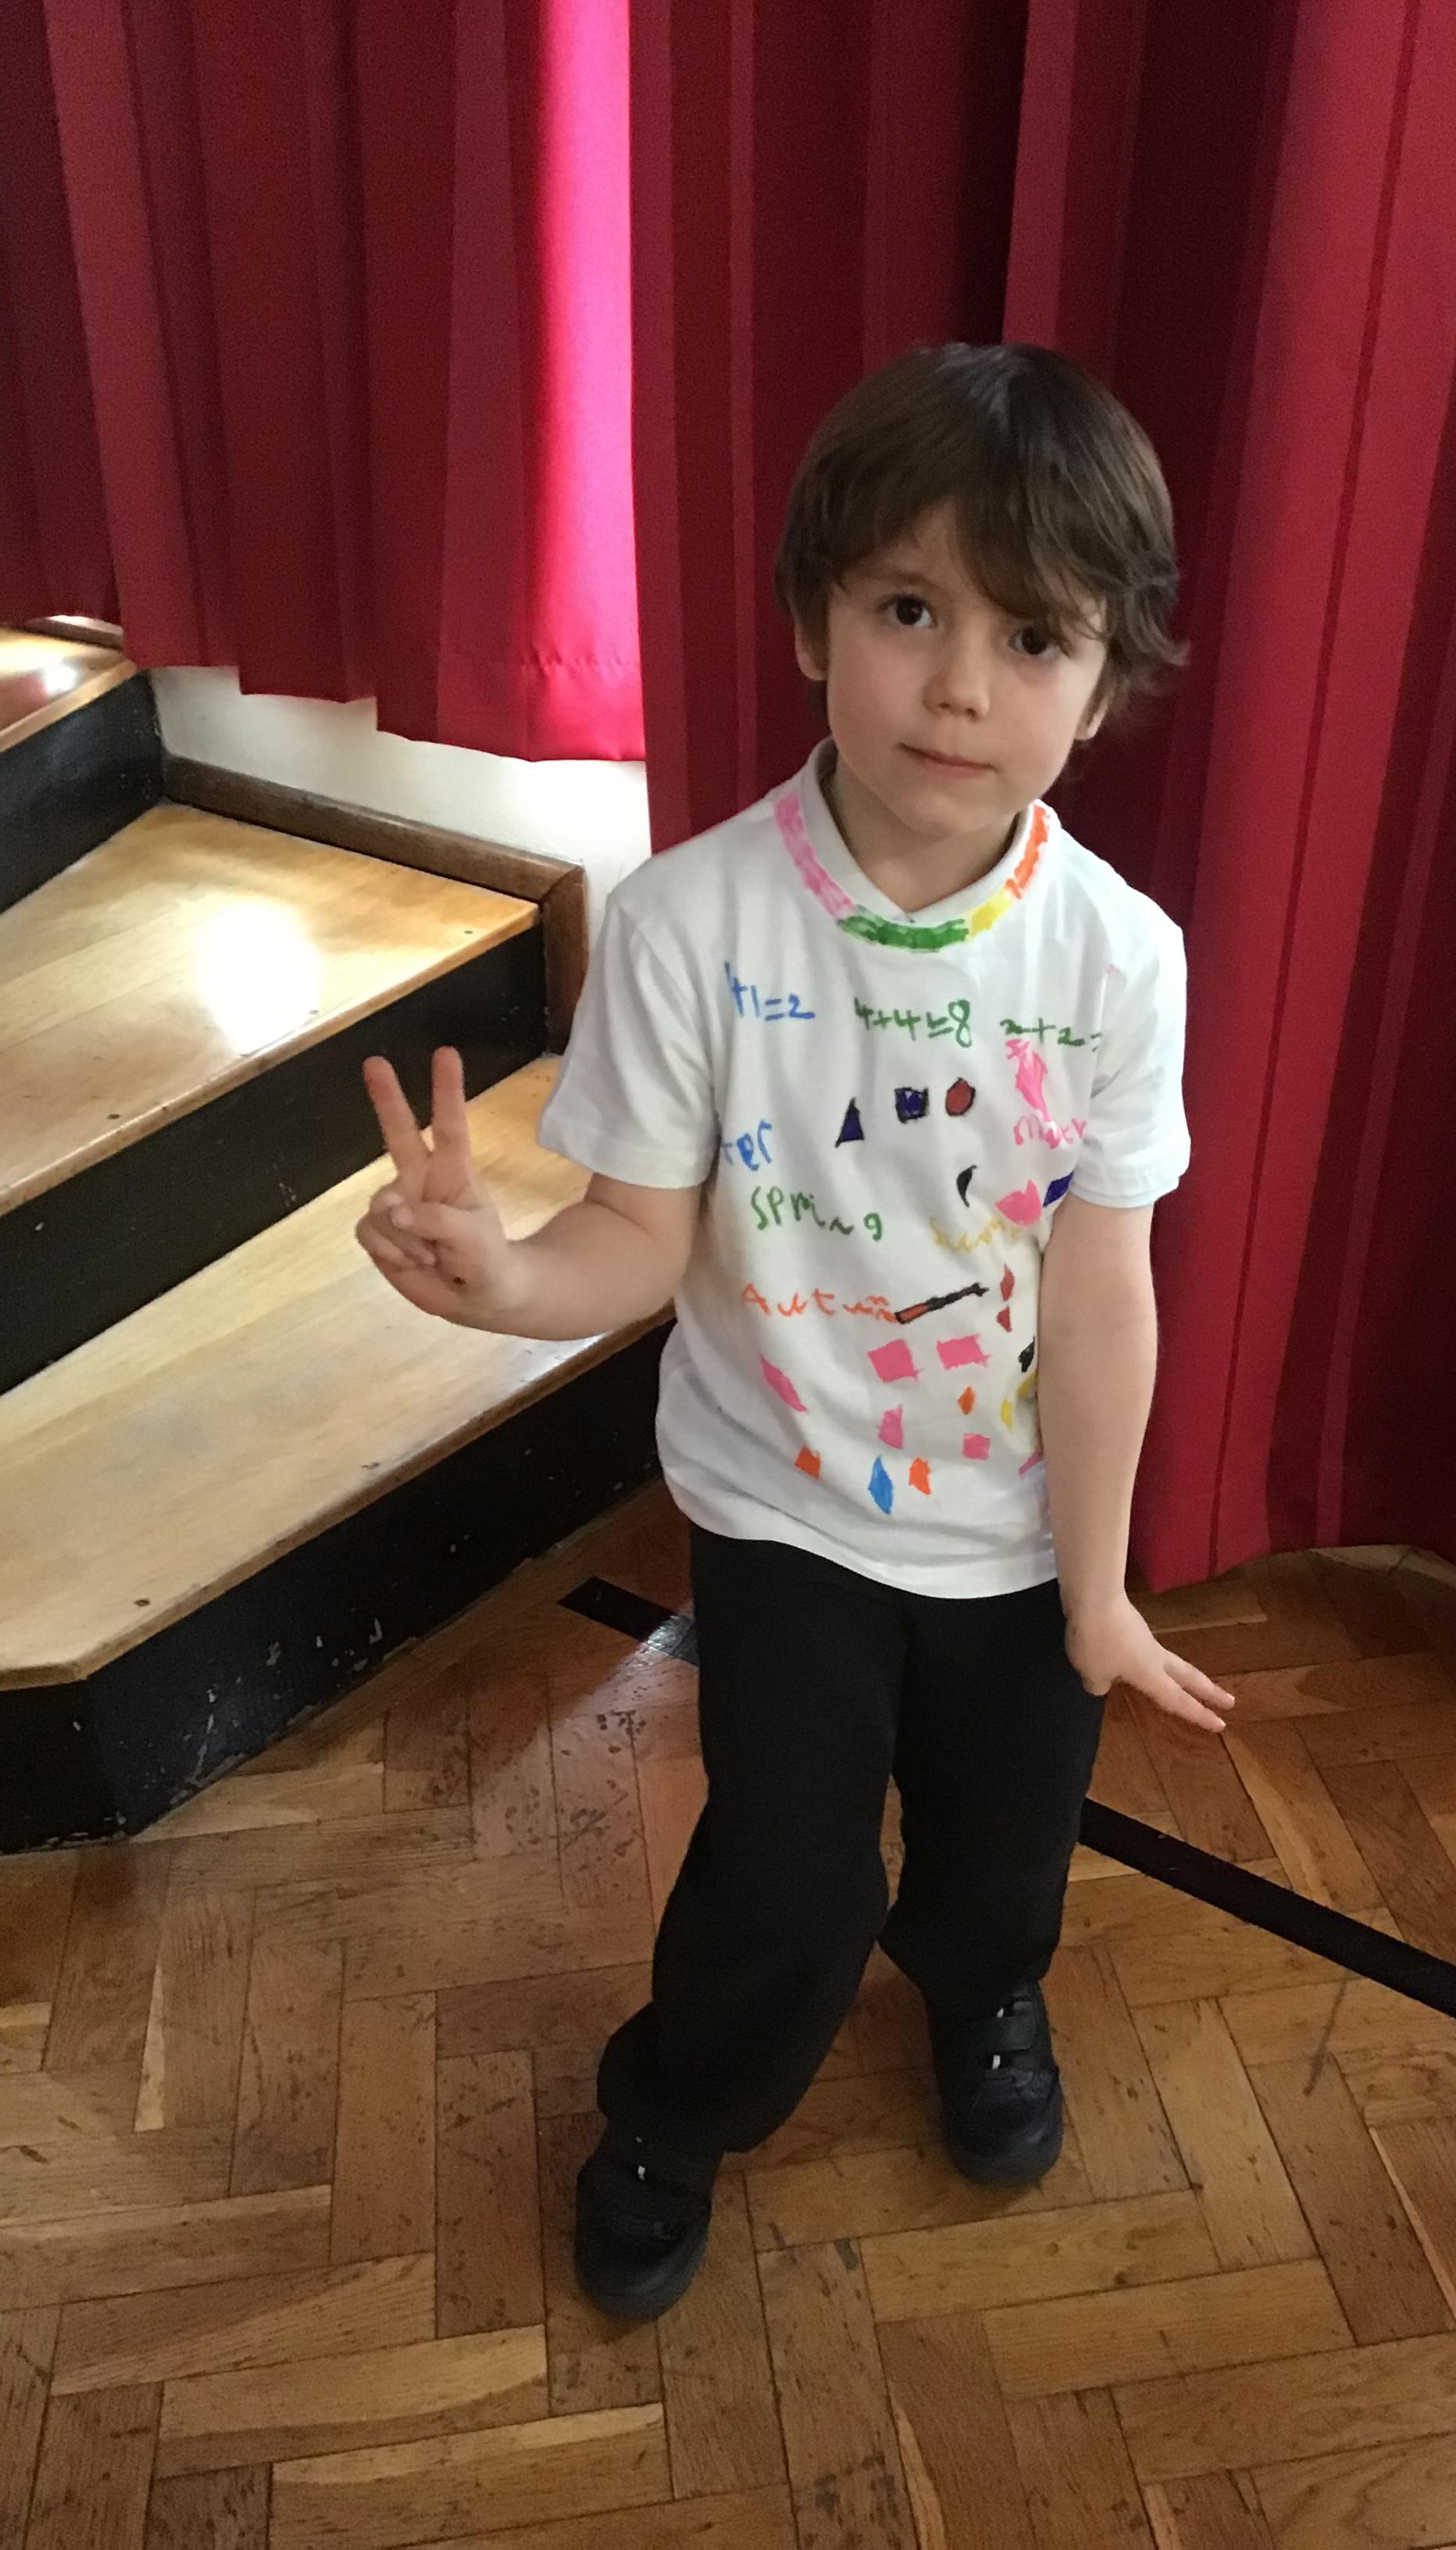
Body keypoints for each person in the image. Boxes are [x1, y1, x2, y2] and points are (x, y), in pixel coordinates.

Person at [355, 340, 1233, 2322]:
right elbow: (632, 1241)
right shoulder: (692, 924)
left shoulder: (1119, 957)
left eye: (1031, 635)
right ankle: (677, 2107)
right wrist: (504, 1280)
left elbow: (1103, 1288)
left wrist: (1098, 1586)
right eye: (910, 609)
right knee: (785, 1875)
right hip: (786, 1515)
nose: (959, 685)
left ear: (1106, 682)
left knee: (1006, 1849)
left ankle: (983, 1996)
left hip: (1021, 1530)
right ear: (813, 619)